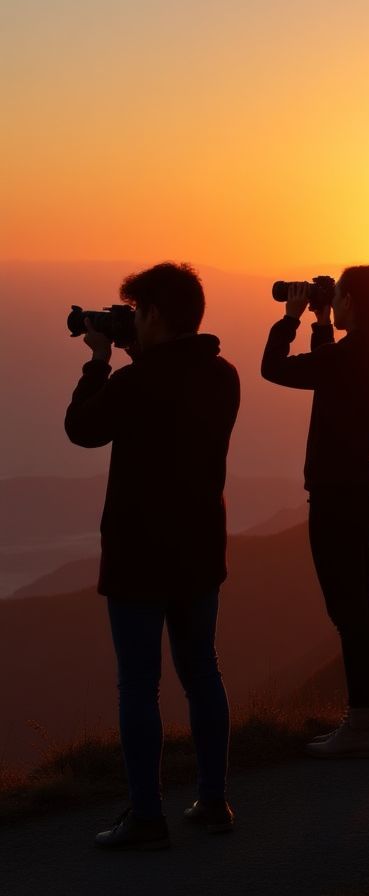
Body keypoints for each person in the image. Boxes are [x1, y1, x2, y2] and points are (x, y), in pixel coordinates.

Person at [65, 262, 240, 849]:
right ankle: (214, 801)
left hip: (139, 556)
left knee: (139, 687)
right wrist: (138, 351)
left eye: (138, 313)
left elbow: (82, 428)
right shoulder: (223, 376)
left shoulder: (133, 383)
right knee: (203, 673)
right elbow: (173, 381)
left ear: (155, 314)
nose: (132, 321)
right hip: (199, 551)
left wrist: (98, 359)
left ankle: (146, 817)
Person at [261, 266, 369, 758]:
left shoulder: (347, 357)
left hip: (337, 497)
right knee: (364, 609)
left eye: (338, 295)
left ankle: (360, 725)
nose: (334, 300)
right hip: (363, 489)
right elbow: (327, 370)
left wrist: (291, 318)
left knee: (349, 614)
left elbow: (274, 368)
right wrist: (322, 321)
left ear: (353, 303)